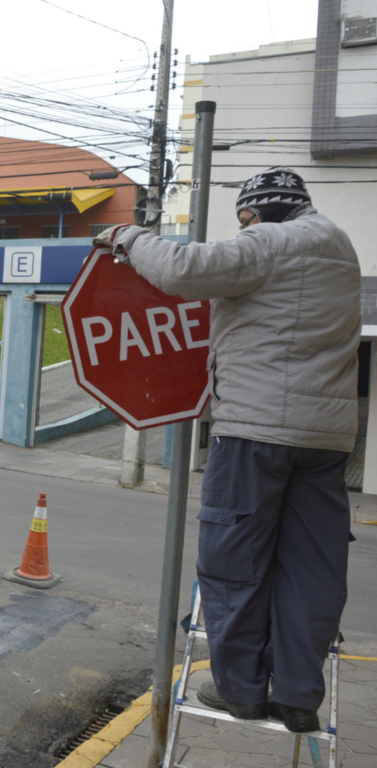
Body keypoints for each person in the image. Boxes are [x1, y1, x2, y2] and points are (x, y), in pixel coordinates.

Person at [93, 167, 360, 734]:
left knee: (234, 561)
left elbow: (182, 271)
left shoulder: (271, 242)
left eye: (247, 217)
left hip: (257, 431)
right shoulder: (339, 245)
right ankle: (296, 698)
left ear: (268, 211)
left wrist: (126, 237)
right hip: (327, 438)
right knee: (311, 569)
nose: (243, 228)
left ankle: (239, 690)